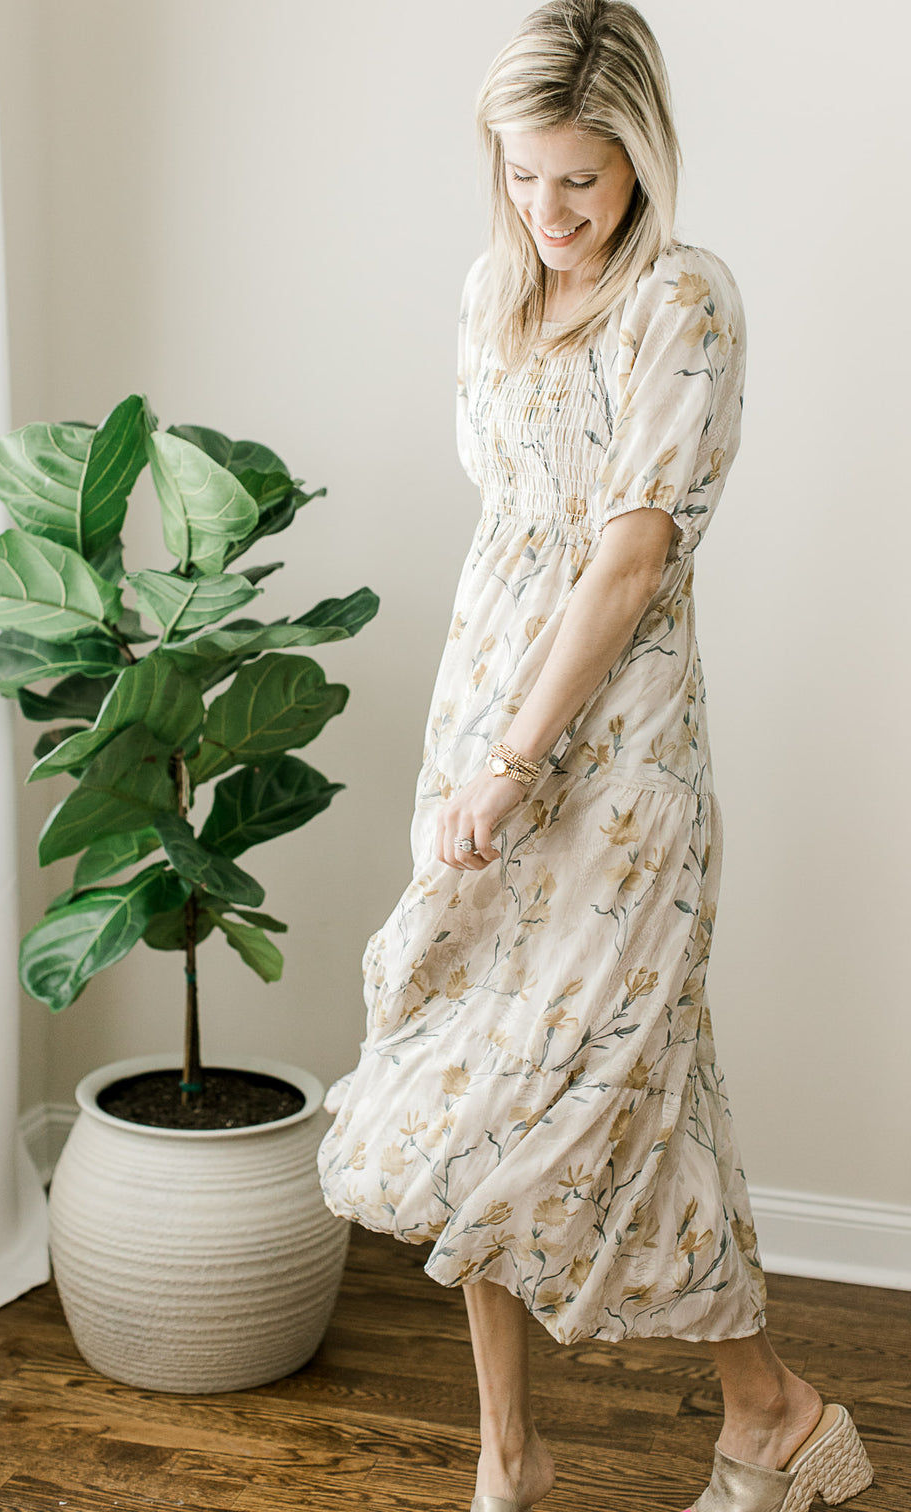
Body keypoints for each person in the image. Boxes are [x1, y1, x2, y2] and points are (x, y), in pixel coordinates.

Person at [316, 4, 875, 1510]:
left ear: (643, 155)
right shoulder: (494, 302)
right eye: (522, 177)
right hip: (481, 732)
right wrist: (474, 757)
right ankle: (519, 1455)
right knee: (457, 1075)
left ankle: (769, 1413)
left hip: (609, 768)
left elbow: (626, 562)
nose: (552, 214)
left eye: (583, 178)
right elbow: (508, 538)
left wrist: (514, 760)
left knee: (613, 1090)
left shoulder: (682, 302)